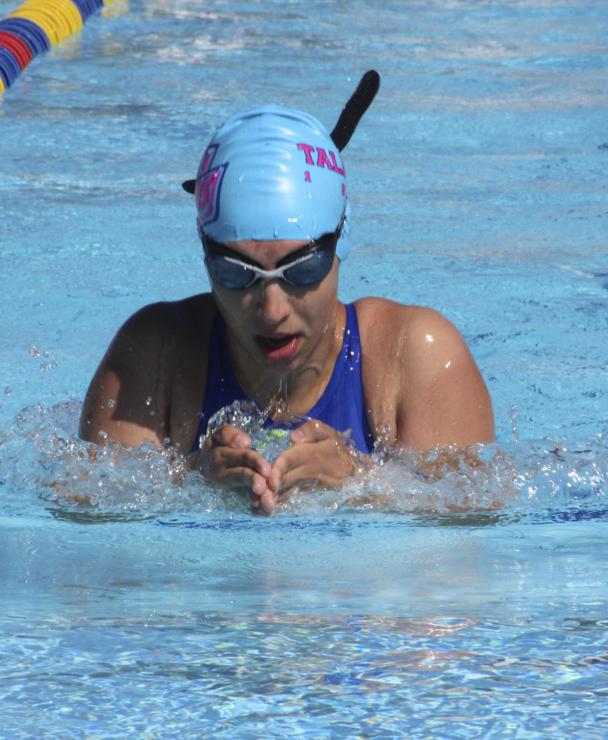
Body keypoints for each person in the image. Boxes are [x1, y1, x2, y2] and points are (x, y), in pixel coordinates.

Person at [79, 102, 494, 514]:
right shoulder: (156, 355)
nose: (272, 309)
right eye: (237, 273)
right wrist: (192, 484)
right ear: (204, 253)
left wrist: (362, 480)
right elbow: (89, 535)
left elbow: (476, 528)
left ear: (342, 239)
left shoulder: (414, 355)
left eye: (302, 269)